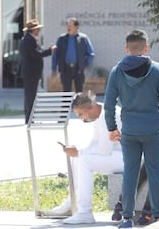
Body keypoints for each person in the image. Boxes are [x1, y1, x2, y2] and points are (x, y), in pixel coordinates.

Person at [104, 29, 159, 228]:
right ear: (146, 48)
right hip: (154, 131)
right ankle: (158, 216)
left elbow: (109, 103)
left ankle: (127, 218)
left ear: (127, 49)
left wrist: (112, 127)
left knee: (130, 173)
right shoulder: (157, 69)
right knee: (155, 173)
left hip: (129, 132)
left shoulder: (116, 72)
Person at [42, 91, 124, 224]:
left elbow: (104, 149)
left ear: (90, 107)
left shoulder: (108, 115)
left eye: (81, 114)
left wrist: (79, 152)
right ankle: (72, 203)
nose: (81, 119)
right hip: (116, 155)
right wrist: (78, 152)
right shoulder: (99, 114)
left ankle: (85, 212)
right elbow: (94, 144)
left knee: (83, 159)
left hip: (129, 158)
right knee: (79, 158)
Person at [19, 19, 56, 124]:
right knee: (30, 96)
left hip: (30, 73)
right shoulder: (29, 40)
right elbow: (36, 54)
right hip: (31, 73)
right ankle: (30, 119)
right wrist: (50, 51)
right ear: (33, 30)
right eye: (37, 29)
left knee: (30, 96)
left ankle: (29, 118)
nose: (39, 30)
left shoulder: (28, 39)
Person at [51, 17, 95, 93]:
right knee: (66, 93)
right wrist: (54, 69)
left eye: (70, 26)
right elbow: (55, 54)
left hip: (78, 69)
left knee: (79, 93)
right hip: (65, 69)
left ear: (76, 27)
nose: (68, 28)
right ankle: (66, 105)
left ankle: (78, 105)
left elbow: (91, 54)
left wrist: (84, 64)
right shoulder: (61, 39)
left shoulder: (83, 39)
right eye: (67, 26)